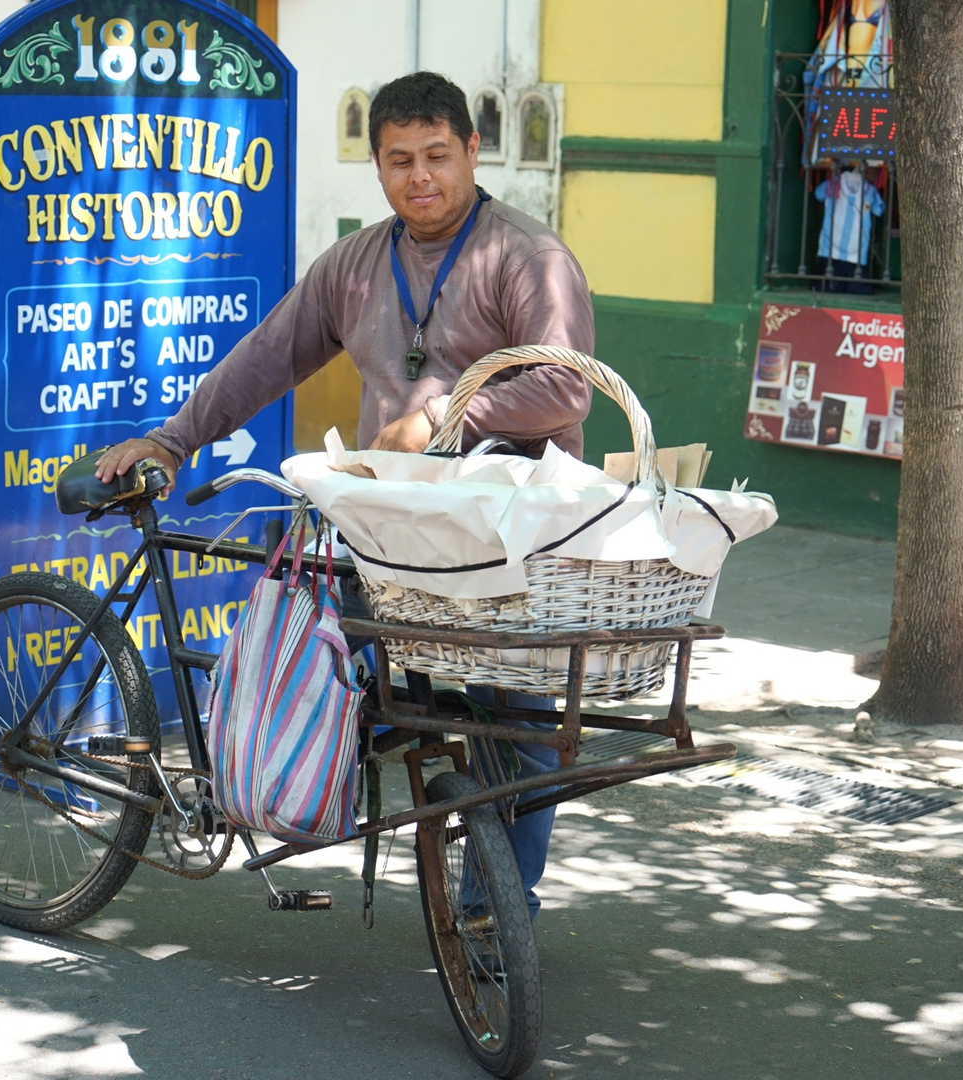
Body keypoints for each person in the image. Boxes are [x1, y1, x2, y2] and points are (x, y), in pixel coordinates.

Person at [95, 70, 596, 918]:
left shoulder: (528, 259)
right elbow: (267, 356)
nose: (421, 177)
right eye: (400, 160)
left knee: (522, 728)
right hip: (384, 540)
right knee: (303, 661)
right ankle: (268, 788)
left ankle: (494, 913)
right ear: (377, 167)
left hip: (506, 546)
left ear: (475, 151)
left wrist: (445, 414)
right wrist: (172, 438)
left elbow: (566, 390)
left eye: (438, 155)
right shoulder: (358, 266)